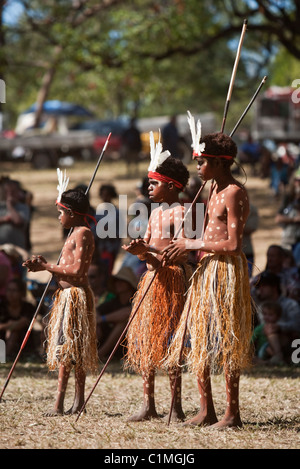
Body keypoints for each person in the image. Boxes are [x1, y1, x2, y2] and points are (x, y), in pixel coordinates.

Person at [163, 131, 253, 429]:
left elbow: (233, 245)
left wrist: (192, 245)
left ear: (218, 163)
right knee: (198, 337)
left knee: (227, 340)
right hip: (205, 268)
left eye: (201, 162)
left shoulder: (235, 193)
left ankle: (232, 414)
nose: (197, 168)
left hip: (226, 271)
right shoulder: (211, 191)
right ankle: (206, 410)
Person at [122, 135, 190, 422]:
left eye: (154, 183)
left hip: (171, 282)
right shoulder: (153, 215)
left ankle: (175, 406)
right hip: (150, 282)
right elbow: (150, 253)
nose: (149, 188)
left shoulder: (183, 212)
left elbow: (180, 254)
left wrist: (148, 251)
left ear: (172, 185)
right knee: (145, 341)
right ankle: (148, 404)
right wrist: (142, 251)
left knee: (171, 341)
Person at [23, 185, 98, 416]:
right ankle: (71, 403)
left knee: (72, 351)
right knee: (68, 350)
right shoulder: (73, 233)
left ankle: (69, 404)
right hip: (67, 297)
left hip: (76, 297)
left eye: (60, 212)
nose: (58, 217)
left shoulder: (83, 233)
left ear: (72, 213)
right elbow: (65, 269)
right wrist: (43, 266)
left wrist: (46, 267)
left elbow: (76, 271)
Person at [96, 266, 138, 360]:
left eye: (121, 281)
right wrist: (97, 321)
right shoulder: (114, 301)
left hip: (127, 345)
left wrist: (102, 319)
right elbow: (96, 311)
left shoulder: (137, 301)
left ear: (129, 284)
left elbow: (128, 312)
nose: (117, 283)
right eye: (116, 281)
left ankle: (100, 354)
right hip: (109, 342)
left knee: (123, 323)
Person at [254, 271, 300, 352]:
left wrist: (279, 327)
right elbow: (263, 327)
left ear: (274, 287)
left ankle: (279, 356)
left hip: (290, 341)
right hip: (267, 343)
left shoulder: (290, 304)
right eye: (259, 286)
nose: (260, 289)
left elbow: (297, 325)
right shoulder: (261, 307)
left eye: (264, 286)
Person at [0, 278, 37, 359]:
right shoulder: (2, 306)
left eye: (14, 290)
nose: (11, 293)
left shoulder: (28, 307)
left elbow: (23, 323)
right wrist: (9, 325)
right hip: (2, 340)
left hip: (22, 342)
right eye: (9, 290)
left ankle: (5, 357)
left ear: (21, 293)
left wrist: (7, 326)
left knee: (14, 333)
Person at [95, 183, 121, 275]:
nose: (105, 198)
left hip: (111, 247)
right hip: (99, 247)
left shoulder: (117, 212)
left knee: (108, 270)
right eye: (103, 195)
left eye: (107, 195)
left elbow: (120, 231)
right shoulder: (98, 212)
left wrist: (110, 231)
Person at [0, 177, 31, 250]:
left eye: (13, 191)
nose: (10, 194)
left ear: (19, 192)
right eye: (7, 192)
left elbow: (18, 221)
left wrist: (10, 206)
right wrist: (5, 219)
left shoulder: (23, 207)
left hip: (18, 250)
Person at [252, 301, 285, 365]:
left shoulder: (279, 327)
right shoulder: (260, 328)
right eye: (265, 314)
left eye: (270, 315)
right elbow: (252, 339)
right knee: (268, 348)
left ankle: (273, 360)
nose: (267, 317)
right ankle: (277, 358)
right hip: (263, 349)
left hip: (273, 348)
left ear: (278, 316)